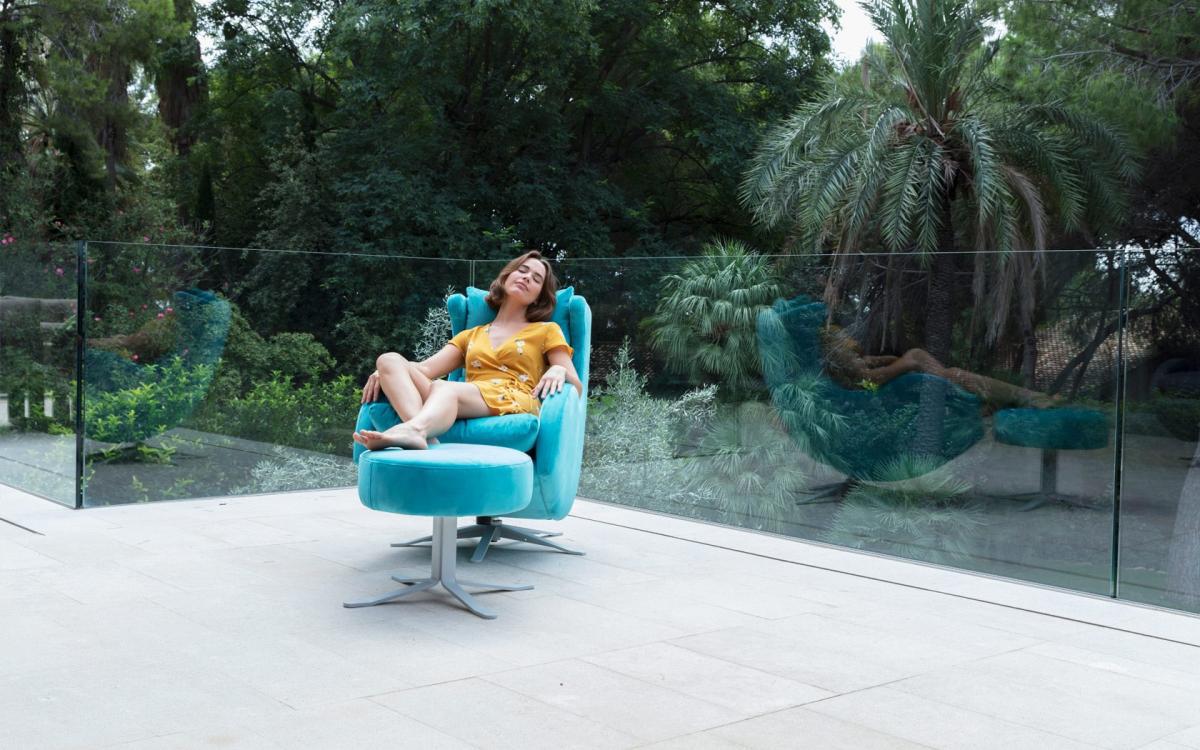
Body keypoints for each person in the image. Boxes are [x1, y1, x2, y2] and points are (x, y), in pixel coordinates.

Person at [353, 250, 582, 451]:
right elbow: (424, 370)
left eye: (536, 279)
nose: (527, 277)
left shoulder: (546, 330)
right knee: (389, 359)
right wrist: (387, 372)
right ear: (506, 277)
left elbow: (577, 386)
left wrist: (559, 370)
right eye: (522, 270)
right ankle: (423, 436)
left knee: (445, 388)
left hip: (514, 397)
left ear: (538, 297)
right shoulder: (471, 335)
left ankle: (415, 431)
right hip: (465, 397)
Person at [820, 325, 1059, 409]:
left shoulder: (845, 354)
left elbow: (870, 368)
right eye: (842, 336)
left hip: (888, 385)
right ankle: (1026, 397)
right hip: (878, 393)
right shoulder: (837, 355)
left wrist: (882, 360)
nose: (848, 336)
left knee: (943, 370)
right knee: (948, 372)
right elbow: (870, 380)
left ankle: (1023, 396)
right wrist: (905, 364)